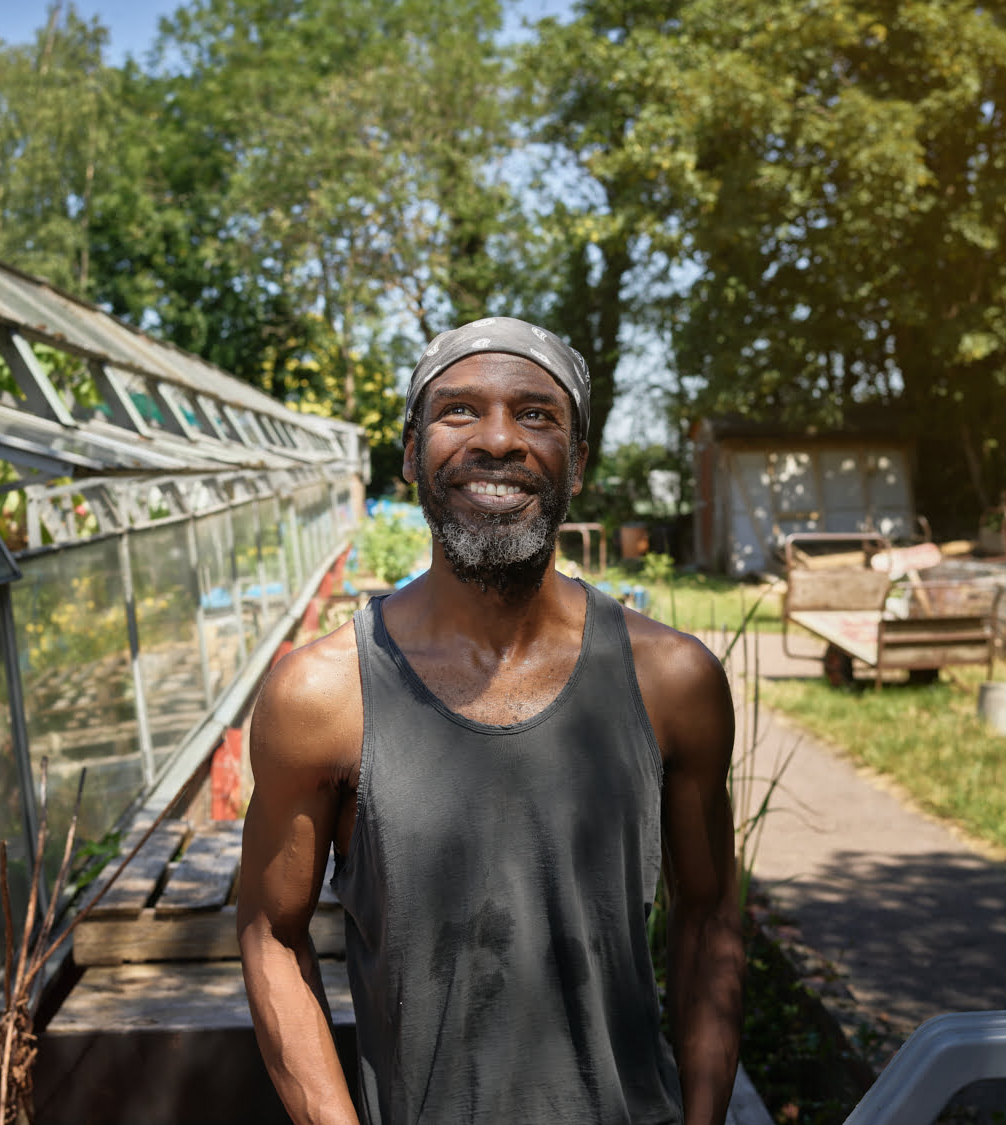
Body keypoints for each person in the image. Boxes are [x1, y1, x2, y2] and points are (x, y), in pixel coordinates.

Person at [237, 317, 744, 1125]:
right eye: (459, 411)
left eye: (538, 414)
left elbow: (711, 909)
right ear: (410, 455)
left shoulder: (672, 682)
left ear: (576, 464)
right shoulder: (323, 696)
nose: (500, 439)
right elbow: (269, 931)